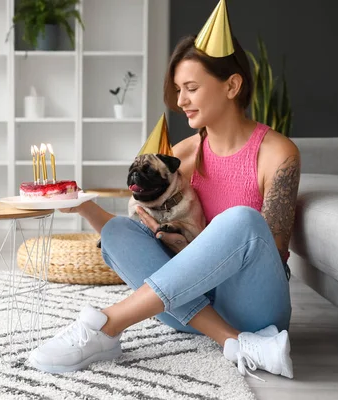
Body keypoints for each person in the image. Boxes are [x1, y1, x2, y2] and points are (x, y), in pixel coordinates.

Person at [28, 1, 300, 381]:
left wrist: (190, 249)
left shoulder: (277, 153)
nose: (179, 101)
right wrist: (84, 207)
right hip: (191, 309)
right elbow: (138, 233)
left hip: (255, 308)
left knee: (241, 220)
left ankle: (107, 325)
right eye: (177, 90)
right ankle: (232, 341)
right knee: (118, 231)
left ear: (232, 85)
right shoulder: (182, 155)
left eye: (191, 88)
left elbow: (268, 248)